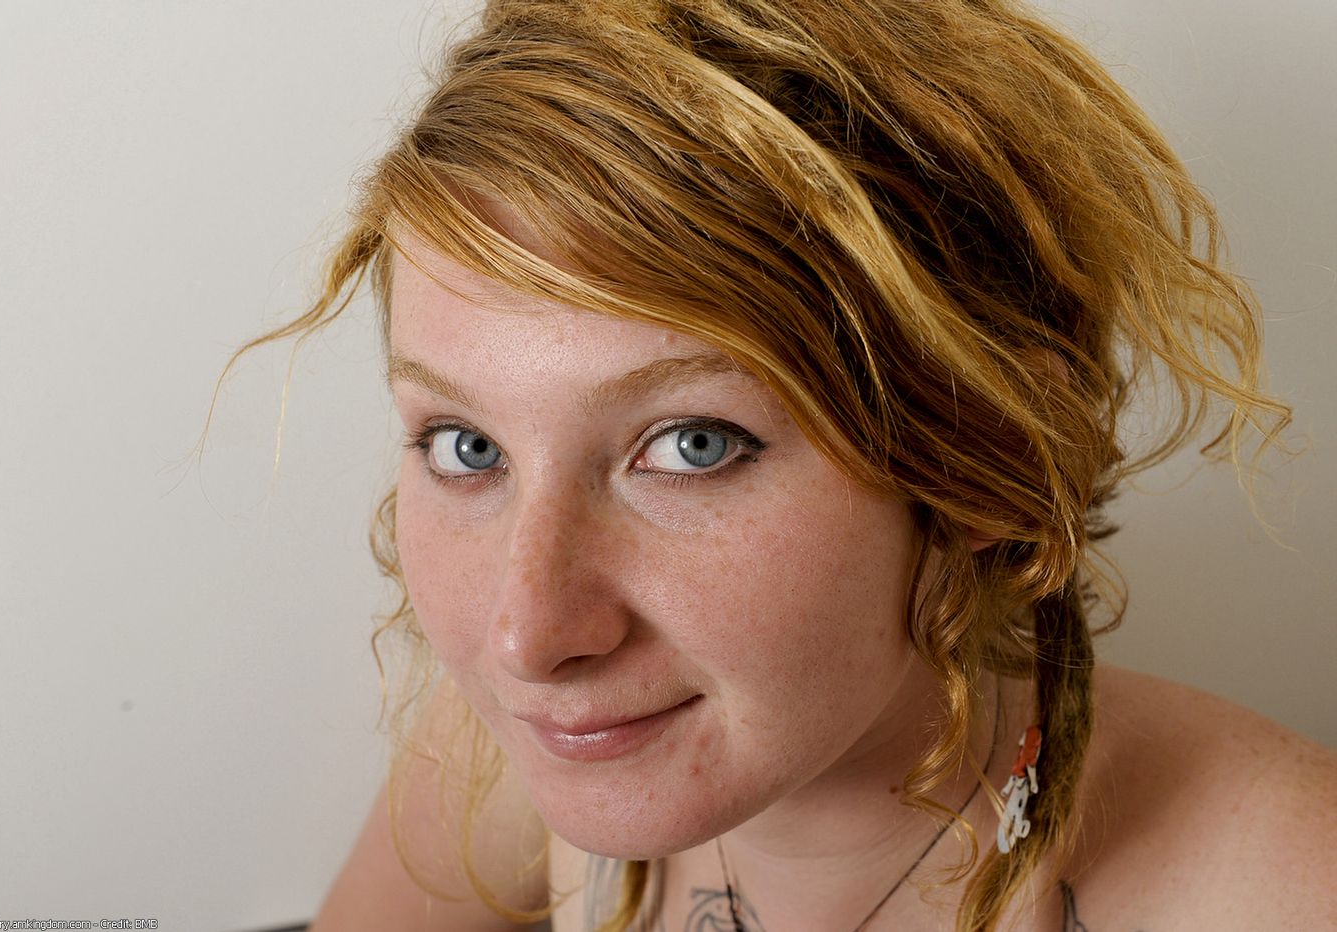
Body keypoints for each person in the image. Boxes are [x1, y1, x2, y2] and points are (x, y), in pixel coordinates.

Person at [220, 0, 1337, 928]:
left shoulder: (1284, 887)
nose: (529, 635)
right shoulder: (515, 752)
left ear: (995, 445)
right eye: (466, 448)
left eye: (691, 445)